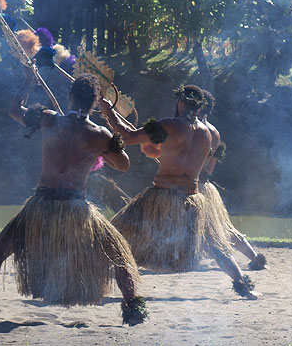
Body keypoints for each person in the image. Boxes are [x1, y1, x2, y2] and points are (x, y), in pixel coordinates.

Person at [0, 71, 147, 325]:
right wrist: (109, 141)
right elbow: (123, 165)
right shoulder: (99, 134)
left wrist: (28, 80)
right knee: (119, 256)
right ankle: (133, 312)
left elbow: (15, 110)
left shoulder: (48, 120)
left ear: (69, 97)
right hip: (77, 210)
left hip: (40, 206)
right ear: (93, 103)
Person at [100, 85, 259, 299]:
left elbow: (127, 137)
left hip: (161, 195)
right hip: (192, 198)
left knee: (117, 233)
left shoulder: (168, 125)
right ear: (200, 107)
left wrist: (108, 111)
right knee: (214, 244)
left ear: (181, 102)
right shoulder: (207, 134)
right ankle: (244, 287)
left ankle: (98, 278)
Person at [197, 89, 266, 270]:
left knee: (213, 228)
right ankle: (255, 257)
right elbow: (210, 168)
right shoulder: (215, 132)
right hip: (205, 184)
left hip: (191, 186)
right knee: (223, 227)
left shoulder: (194, 130)